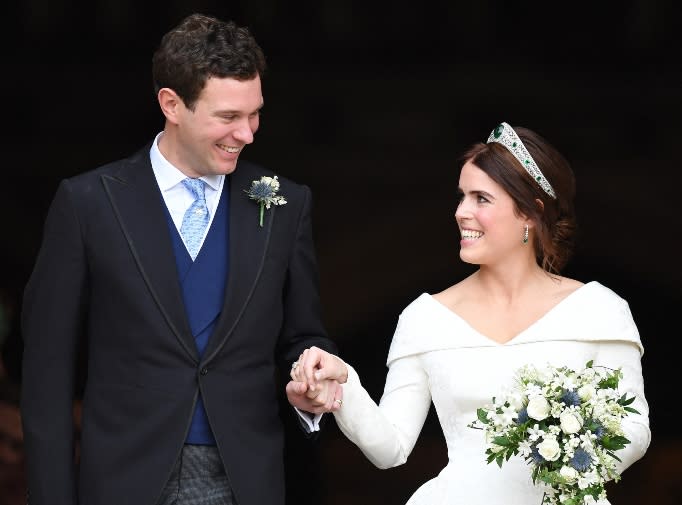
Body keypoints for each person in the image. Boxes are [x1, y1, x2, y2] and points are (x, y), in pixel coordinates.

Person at [21, 13, 340, 505]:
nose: (248, 133)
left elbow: (303, 335)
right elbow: (47, 373)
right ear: (171, 104)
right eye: (228, 117)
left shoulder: (282, 204)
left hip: (243, 479)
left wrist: (313, 371)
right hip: (122, 480)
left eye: (254, 114)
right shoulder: (88, 203)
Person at [289, 122, 651, 503]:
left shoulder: (598, 309)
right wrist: (344, 383)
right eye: (461, 196)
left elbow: (635, 431)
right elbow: (389, 449)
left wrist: (569, 447)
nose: (462, 212)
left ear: (530, 213)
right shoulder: (425, 317)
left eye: (481, 198)